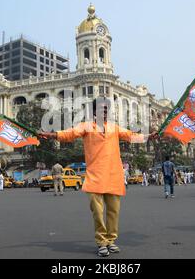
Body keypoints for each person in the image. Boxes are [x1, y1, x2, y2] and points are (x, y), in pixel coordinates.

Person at [40, 97, 157, 257]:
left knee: (113, 211)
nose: (105, 111)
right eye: (102, 108)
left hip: (114, 175)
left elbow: (131, 136)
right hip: (95, 175)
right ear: (94, 111)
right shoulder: (86, 127)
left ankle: (111, 240)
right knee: (97, 211)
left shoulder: (114, 128)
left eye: (107, 109)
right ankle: (101, 241)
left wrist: (149, 136)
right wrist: (50, 135)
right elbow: (70, 134)